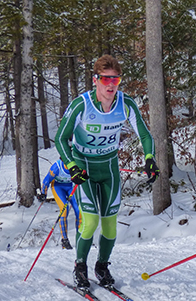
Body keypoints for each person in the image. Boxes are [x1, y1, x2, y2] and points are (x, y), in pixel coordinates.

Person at [55, 54, 159, 288]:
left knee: (110, 225)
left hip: (109, 166)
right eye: (106, 79)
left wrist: (150, 158)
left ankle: (102, 266)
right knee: (90, 223)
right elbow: (61, 138)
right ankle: (79, 265)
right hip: (85, 166)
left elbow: (144, 134)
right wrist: (71, 165)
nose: (111, 85)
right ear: (96, 80)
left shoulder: (126, 103)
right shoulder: (82, 104)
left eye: (116, 80)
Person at [38, 159, 80, 250]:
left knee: (79, 210)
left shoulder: (77, 164)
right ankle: (64, 240)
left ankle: (80, 239)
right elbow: (46, 180)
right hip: (58, 187)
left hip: (71, 186)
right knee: (65, 209)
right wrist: (43, 193)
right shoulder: (57, 167)